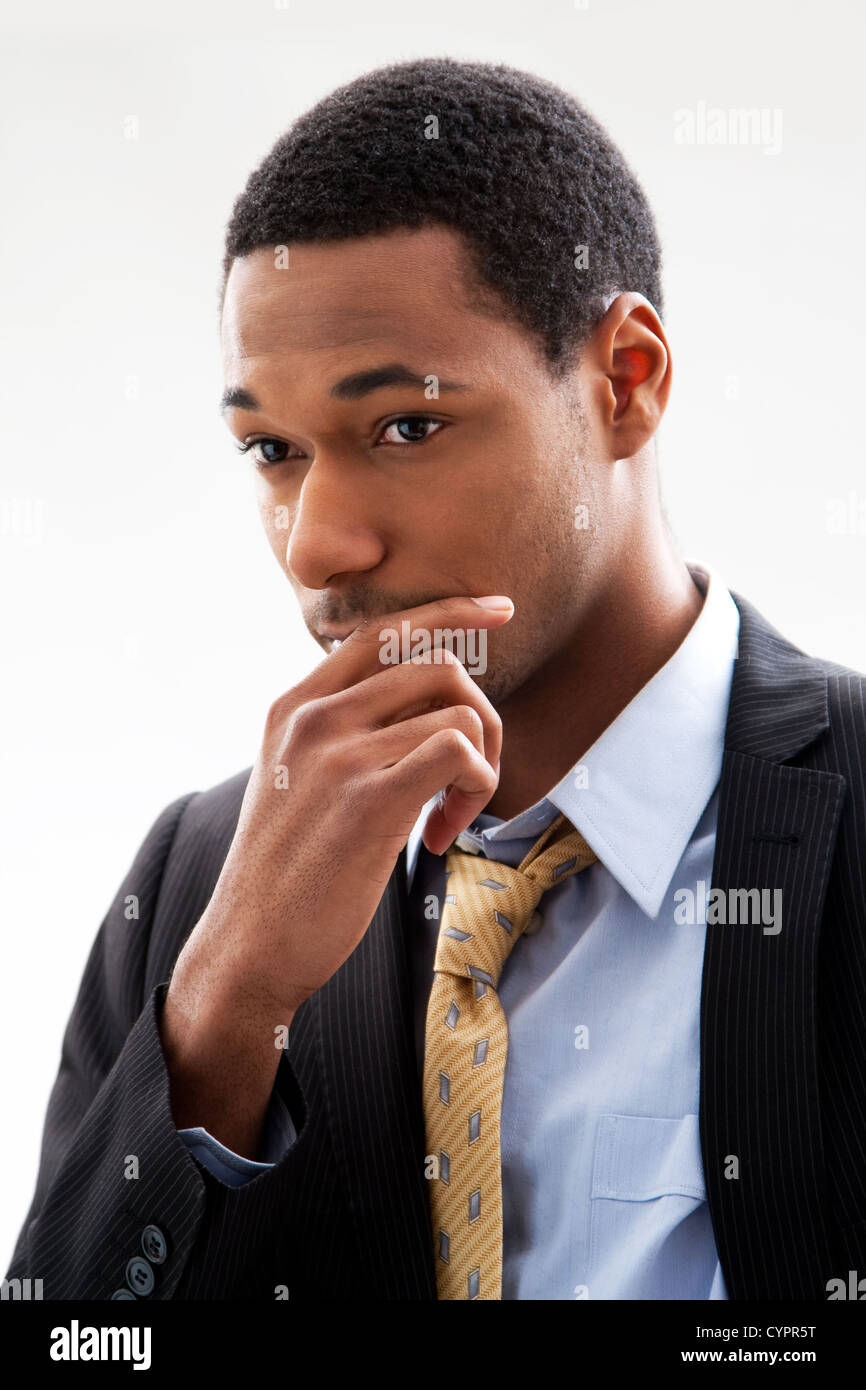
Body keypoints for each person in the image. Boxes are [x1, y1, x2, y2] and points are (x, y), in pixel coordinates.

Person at [6, 56, 866, 1303]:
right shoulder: (196, 886)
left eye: (404, 426)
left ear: (625, 380)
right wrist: (227, 1005)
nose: (317, 544)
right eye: (271, 450)